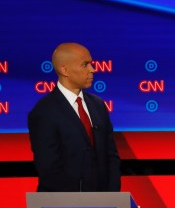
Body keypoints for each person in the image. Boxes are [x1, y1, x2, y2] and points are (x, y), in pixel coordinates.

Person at [28, 42, 120, 192]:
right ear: (64, 69)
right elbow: (49, 168)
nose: (93, 70)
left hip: (103, 205)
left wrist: (111, 197)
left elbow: (111, 157)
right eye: (85, 65)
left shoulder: (98, 105)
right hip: (63, 207)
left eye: (91, 64)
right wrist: (82, 201)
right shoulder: (44, 112)